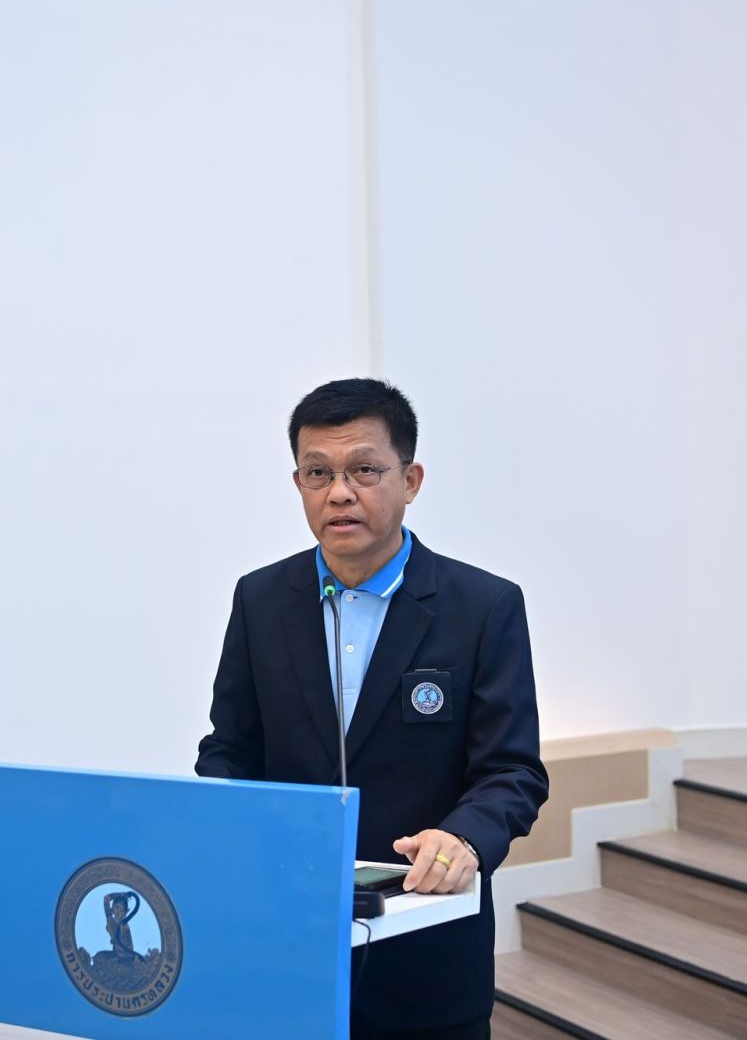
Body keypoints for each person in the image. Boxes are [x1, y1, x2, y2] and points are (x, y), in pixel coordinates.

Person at [196, 378, 548, 1039]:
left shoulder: (484, 607)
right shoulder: (260, 599)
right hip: (284, 939)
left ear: (410, 480)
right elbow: (229, 749)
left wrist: (464, 838)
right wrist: (232, 830)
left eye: (364, 470)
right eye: (317, 473)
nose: (339, 492)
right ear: (298, 483)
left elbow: (512, 771)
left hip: (425, 947)